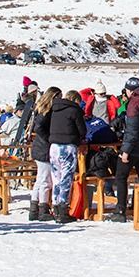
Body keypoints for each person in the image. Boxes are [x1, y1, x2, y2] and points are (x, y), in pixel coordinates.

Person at [110, 78, 139, 222]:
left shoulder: (133, 104)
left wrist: (126, 151)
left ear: (129, 91)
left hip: (133, 148)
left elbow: (132, 131)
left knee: (121, 176)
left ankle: (120, 209)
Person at [42, 88, 86, 223]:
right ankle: (63, 210)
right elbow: (82, 130)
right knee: (66, 178)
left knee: (56, 177)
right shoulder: (74, 111)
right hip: (68, 146)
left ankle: (55, 206)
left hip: (54, 146)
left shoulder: (55, 109)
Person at [28, 87, 58, 221]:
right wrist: (49, 138)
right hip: (43, 148)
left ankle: (34, 207)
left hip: (39, 147)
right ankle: (43, 208)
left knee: (40, 179)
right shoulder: (46, 111)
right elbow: (38, 127)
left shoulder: (41, 109)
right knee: (45, 180)